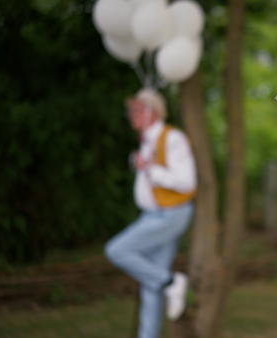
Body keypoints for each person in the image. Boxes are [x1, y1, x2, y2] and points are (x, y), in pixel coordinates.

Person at [105, 88, 197, 338]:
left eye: (137, 109)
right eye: (131, 110)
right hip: (154, 215)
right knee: (150, 287)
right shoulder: (148, 141)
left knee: (117, 250)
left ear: (153, 111)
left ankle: (171, 281)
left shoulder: (172, 138)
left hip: (170, 215)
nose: (131, 115)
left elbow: (187, 182)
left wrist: (150, 169)